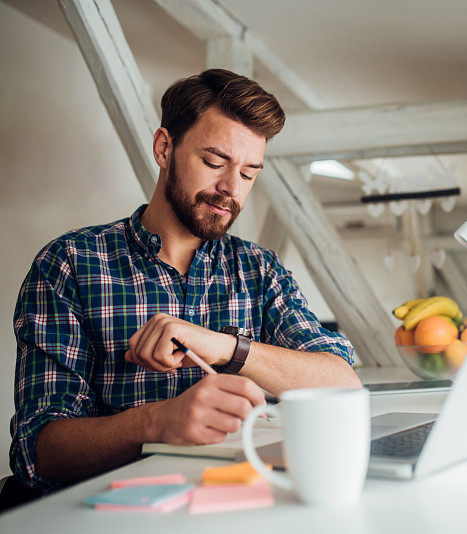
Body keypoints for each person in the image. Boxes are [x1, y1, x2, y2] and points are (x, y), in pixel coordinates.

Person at [10, 69, 361, 492]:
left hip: (235, 507)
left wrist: (227, 347)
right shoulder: (70, 263)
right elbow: (38, 453)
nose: (231, 188)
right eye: (214, 162)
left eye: (249, 174)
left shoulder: (260, 270)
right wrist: (156, 422)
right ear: (164, 148)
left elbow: (342, 381)